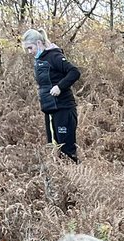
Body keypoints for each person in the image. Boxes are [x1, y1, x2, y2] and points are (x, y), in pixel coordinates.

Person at [21, 29, 82, 162]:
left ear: (38, 43)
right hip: (50, 110)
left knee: (66, 150)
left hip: (63, 108)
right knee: (53, 148)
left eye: (30, 48)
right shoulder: (39, 59)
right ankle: (59, 178)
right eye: (27, 49)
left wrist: (60, 86)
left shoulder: (54, 56)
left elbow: (74, 72)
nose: (29, 52)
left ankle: (73, 177)